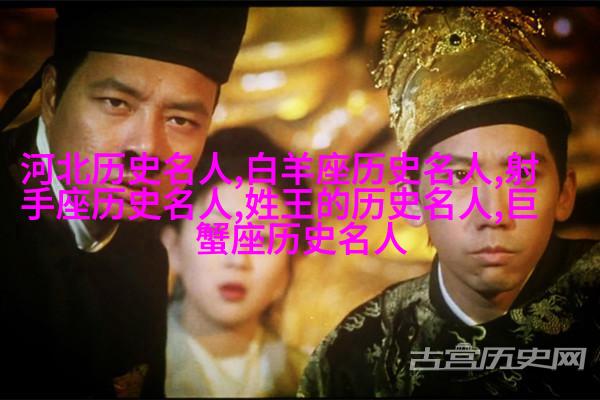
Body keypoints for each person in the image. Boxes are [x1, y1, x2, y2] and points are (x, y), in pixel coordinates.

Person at [298, 6, 600, 397]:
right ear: (411, 199)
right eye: (458, 177)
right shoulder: (357, 351)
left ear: (564, 193)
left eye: (521, 176)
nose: (493, 213)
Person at [0, 6, 247, 397]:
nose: (147, 149)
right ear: (51, 95)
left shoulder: (145, 255)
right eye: (116, 103)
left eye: (180, 120)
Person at [159, 127, 309, 397]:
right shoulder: (123, 368)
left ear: (291, 263)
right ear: (173, 246)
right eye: (216, 232)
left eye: (262, 238)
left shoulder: (315, 379)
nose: (238, 259)